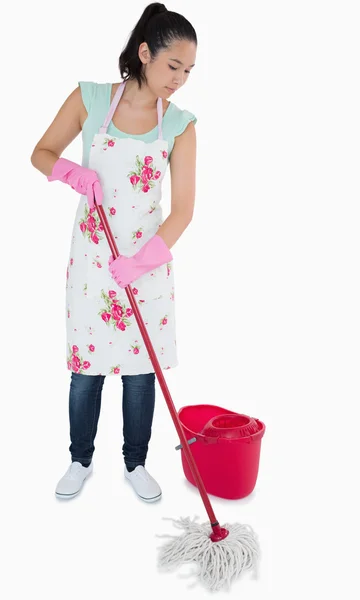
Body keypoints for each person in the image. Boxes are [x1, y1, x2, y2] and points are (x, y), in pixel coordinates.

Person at [30, 2, 197, 502]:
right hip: (92, 265)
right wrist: (70, 173)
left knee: (140, 371)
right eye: (174, 66)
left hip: (144, 267)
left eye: (189, 71)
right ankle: (80, 459)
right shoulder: (91, 99)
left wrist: (142, 262)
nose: (181, 79)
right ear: (145, 53)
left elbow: (184, 210)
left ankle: (136, 463)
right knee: (88, 367)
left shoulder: (180, 124)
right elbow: (40, 153)